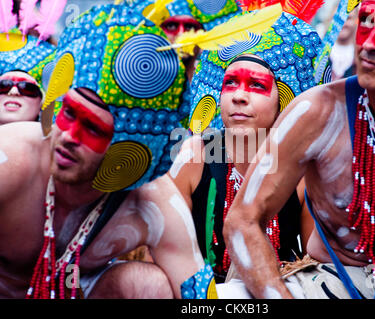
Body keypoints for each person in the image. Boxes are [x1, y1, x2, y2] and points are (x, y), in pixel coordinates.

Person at [223, 0, 375, 299]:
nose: (369, 44)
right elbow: (243, 220)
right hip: (325, 282)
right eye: (365, 24)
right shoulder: (315, 111)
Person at [0, 3, 215, 299]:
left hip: (81, 293)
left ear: (127, 150)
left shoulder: (154, 201)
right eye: (70, 114)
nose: (69, 136)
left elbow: (199, 294)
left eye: (93, 129)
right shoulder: (10, 156)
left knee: (147, 286)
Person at [167, 1, 324, 284]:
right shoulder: (193, 157)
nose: (239, 96)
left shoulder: (303, 175)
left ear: (283, 100)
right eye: (230, 83)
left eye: (256, 85)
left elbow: (316, 267)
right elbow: (167, 259)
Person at [330, 7, 358, 80]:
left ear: (356, 20)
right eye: (338, 18)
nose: (342, 23)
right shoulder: (319, 53)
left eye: (347, 18)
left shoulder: (361, 56)